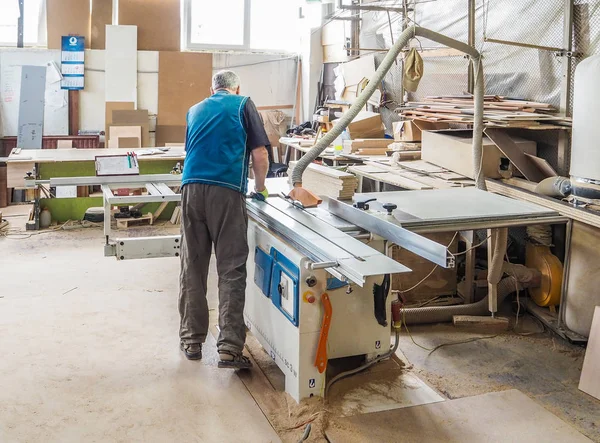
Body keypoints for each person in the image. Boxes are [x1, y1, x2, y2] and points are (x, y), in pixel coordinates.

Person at [179, 70, 270, 369]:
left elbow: (193, 149)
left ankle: (191, 341)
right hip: (226, 192)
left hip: (190, 190)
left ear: (212, 88)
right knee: (230, 267)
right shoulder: (244, 104)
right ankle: (229, 348)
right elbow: (259, 154)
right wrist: (260, 188)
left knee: (193, 266)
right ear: (236, 88)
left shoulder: (194, 109)